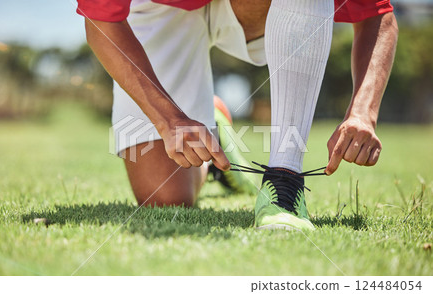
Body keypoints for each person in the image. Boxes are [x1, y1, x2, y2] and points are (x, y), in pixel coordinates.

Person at [76, 0, 398, 230]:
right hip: (160, 7)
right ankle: (215, 129)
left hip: (250, 7)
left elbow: (376, 14)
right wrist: (169, 119)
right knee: (166, 197)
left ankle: (284, 184)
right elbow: (101, 20)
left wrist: (362, 113)